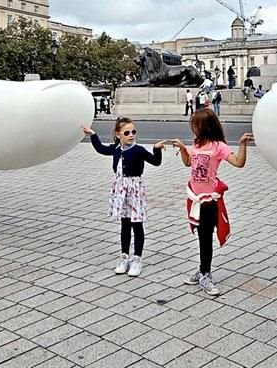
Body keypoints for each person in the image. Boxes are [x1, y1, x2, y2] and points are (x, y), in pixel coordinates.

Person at [170, 109, 253, 296]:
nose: (194, 127)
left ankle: (205, 274)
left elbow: (239, 163)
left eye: (196, 124)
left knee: (205, 237)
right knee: (201, 236)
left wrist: (242, 145)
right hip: (194, 199)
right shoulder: (197, 144)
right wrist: (184, 149)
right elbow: (188, 163)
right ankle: (202, 270)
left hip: (209, 201)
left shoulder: (218, 146)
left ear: (205, 126)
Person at [83, 118, 166, 277]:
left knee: (137, 224)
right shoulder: (116, 148)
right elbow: (101, 149)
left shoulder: (139, 150)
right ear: (118, 134)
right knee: (125, 224)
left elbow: (156, 162)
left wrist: (157, 149)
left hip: (135, 191)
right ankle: (124, 256)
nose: (131, 135)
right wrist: (93, 135)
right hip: (121, 191)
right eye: (127, 132)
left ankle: (137, 259)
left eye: (133, 132)